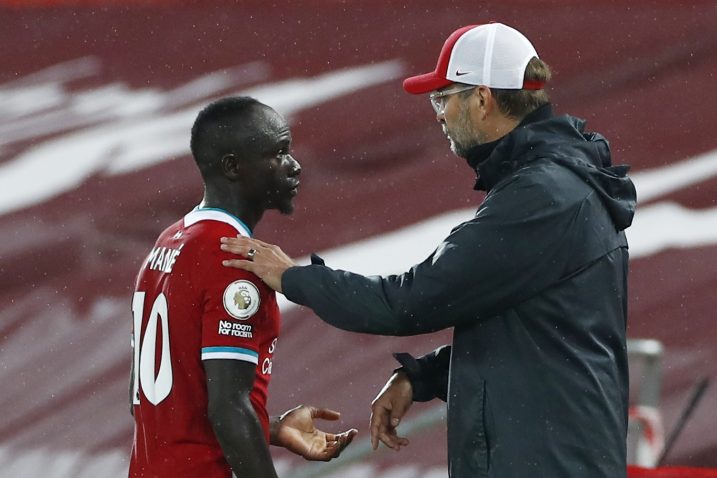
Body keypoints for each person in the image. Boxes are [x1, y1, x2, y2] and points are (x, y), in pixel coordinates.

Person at [219, 23, 636, 478]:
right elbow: (540, 335)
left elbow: (410, 303)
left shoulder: (541, 197)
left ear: (481, 98)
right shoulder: (556, 186)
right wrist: (422, 377)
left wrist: (292, 277)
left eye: (444, 97)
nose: (438, 114)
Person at [129, 96, 357, 478]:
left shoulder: (167, 243)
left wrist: (273, 426)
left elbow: (167, 402)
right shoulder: (233, 261)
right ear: (234, 166)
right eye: (278, 153)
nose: (294, 166)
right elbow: (228, 408)